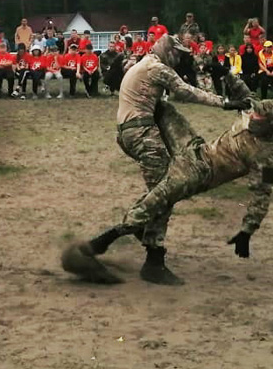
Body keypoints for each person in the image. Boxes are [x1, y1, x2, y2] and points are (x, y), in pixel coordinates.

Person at [62, 74, 262, 285]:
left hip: (198, 174)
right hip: (195, 148)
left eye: (258, 116)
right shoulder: (255, 117)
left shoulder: (264, 153)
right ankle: (130, 126)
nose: (253, 115)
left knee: (157, 200)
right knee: (164, 109)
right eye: (255, 113)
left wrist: (247, 229)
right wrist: (223, 71)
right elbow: (246, 94)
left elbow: (263, 196)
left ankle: (110, 245)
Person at [104, 35, 247, 285]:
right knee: (166, 191)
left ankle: (139, 230)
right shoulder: (156, 68)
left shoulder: (142, 65)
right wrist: (226, 103)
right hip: (142, 132)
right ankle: (153, 260)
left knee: (161, 191)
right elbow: (186, 92)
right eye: (177, 54)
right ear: (167, 51)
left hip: (130, 131)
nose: (179, 58)